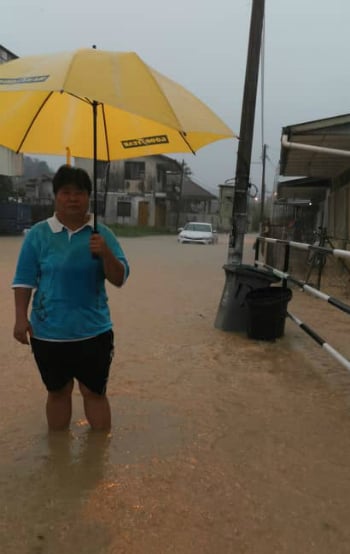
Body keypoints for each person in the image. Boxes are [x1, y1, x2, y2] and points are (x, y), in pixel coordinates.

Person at [12, 165, 130, 432]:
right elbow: (23, 281)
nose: (72, 198)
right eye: (65, 192)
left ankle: (98, 459)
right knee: (57, 393)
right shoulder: (38, 235)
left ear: (89, 197)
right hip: (47, 333)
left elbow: (119, 278)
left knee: (95, 394)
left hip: (93, 332)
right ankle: (57, 458)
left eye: (79, 192)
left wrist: (105, 253)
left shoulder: (103, 234)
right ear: (56, 196)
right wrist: (20, 319)